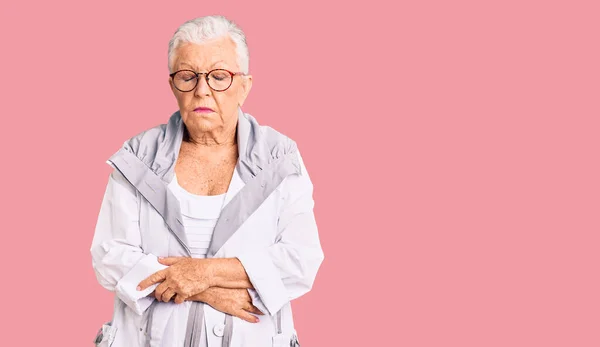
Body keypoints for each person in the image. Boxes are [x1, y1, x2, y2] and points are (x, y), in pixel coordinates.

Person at [90, 15, 324, 347]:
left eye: (219, 77)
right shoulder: (139, 156)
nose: (202, 90)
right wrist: (210, 292)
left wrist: (203, 273)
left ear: (245, 85)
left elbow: (300, 260)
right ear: (173, 85)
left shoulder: (280, 158)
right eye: (188, 76)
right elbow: (110, 257)